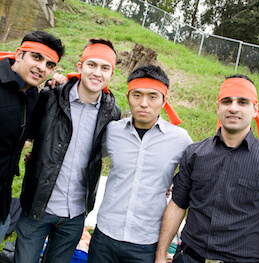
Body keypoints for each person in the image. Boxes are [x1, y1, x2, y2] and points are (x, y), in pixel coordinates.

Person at [13, 38, 121, 263]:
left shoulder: (113, 113)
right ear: (80, 67)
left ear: (111, 74)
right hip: (37, 207)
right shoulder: (51, 96)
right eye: (91, 65)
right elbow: (24, 134)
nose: (97, 73)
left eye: (105, 68)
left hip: (75, 215)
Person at [88, 64, 193, 263]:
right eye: (137, 95)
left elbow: (195, 174)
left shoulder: (180, 139)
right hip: (105, 235)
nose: (143, 103)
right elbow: (85, 157)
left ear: (164, 100)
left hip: (146, 241)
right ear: (128, 97)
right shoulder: (112, 131)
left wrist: (173, 184)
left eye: (152, 96)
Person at [154, 74, 259, 263]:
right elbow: (178, 205)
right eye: (227, 101)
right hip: (189, 257)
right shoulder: (195, 154)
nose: (233, 108)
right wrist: (160, 254)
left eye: (242, 102)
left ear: (255, 110)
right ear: (218, 107)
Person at [0, 31, 65, 243]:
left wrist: (54, 89)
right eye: (36, 57)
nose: (41, 67)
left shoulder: (33, 96)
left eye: (49, 64)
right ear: (19, 54)